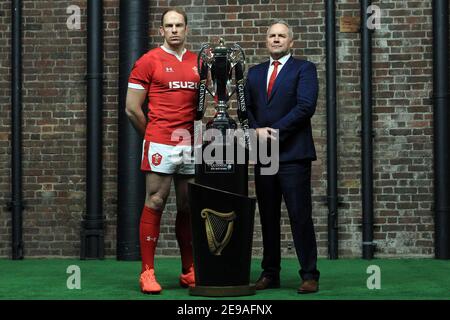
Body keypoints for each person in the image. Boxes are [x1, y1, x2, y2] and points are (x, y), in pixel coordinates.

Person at [125, 8, 199, 294]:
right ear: (161, 30)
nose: (174, 30)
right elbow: (132, 109)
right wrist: (153, 138)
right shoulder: (148, 61)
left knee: (188, 205)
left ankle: (188, 270)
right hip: (160, 142)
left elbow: (203, 107)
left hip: (191, 143)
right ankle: (147, 273)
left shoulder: (198, 62)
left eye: (179, 25)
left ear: (186, 29)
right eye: (169, 25)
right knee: (156, 201)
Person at [245, 20, 321, 294]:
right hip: (265, 157)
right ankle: (270, 273)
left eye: (282, 36)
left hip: (292, 155)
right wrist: (256, 130)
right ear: (266, 41)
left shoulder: (304, 69)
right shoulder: (253, 73)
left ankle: (309, 274)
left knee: (300, 215)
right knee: (267, 216)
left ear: (291, 42)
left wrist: (272, 132)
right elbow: (247, 110)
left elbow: (305, 107)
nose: (276, 40)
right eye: (272, 36)